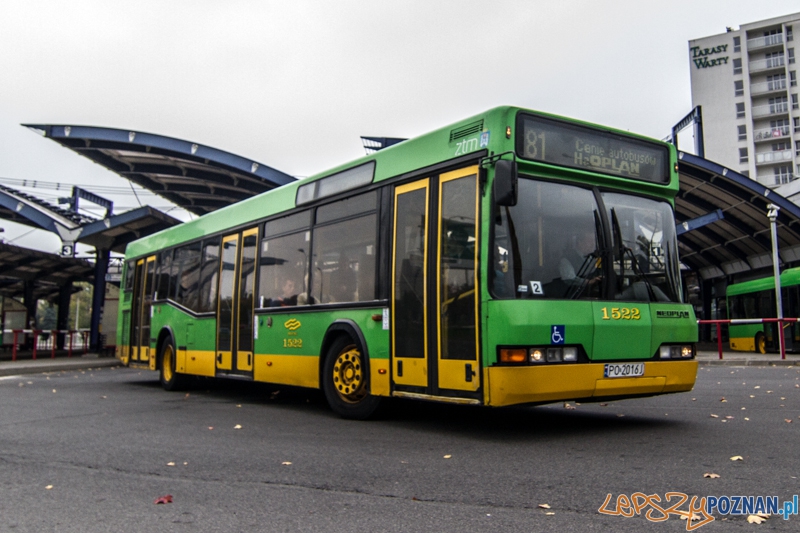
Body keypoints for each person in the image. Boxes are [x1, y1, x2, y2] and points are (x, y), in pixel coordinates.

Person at [559, 230, 602, 296]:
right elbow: (569, 279)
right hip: (575, 296)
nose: (593, 244)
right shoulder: (567, 259)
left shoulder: (593, 258)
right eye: (589, 241)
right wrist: (588, 282)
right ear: (580, 242)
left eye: (594, 241)